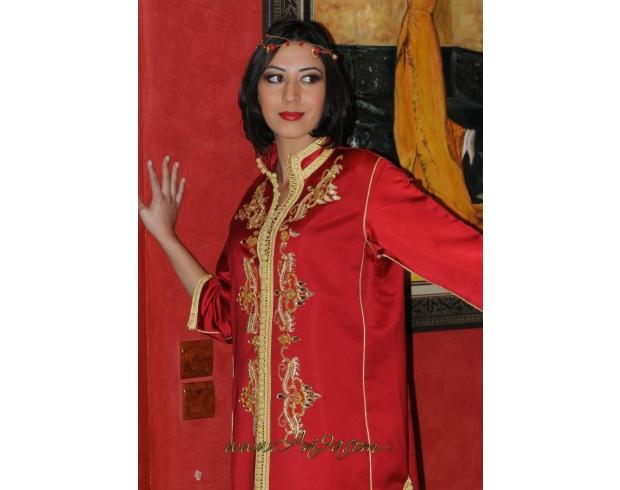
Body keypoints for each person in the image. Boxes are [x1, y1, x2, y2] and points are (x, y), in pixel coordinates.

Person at [139, 19, 482, 490]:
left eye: (309, 78)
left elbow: (474, 264)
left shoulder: (364, 182)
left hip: (346, 462)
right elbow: (225, 314)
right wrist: (165, 235)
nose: (292, 95)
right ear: (255, 90)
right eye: (275, 77)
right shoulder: (254, 207)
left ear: (329, 91)